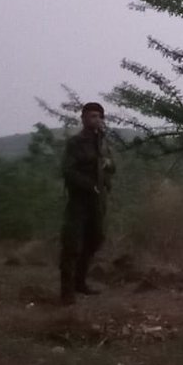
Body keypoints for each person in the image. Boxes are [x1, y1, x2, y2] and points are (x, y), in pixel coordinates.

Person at [59, 101, 115, 305]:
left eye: (99, 116)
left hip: (98, 201)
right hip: (79, 200)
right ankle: (66, 292)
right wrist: (89, 185)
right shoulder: (76, 142)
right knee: (72, 244)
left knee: (95, 240)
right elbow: (68, 170)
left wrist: (109, 164)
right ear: (83, 118)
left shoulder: (102, 141)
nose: (96, 119)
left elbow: (111, 166)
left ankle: (80, 283)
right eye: (92, 116)